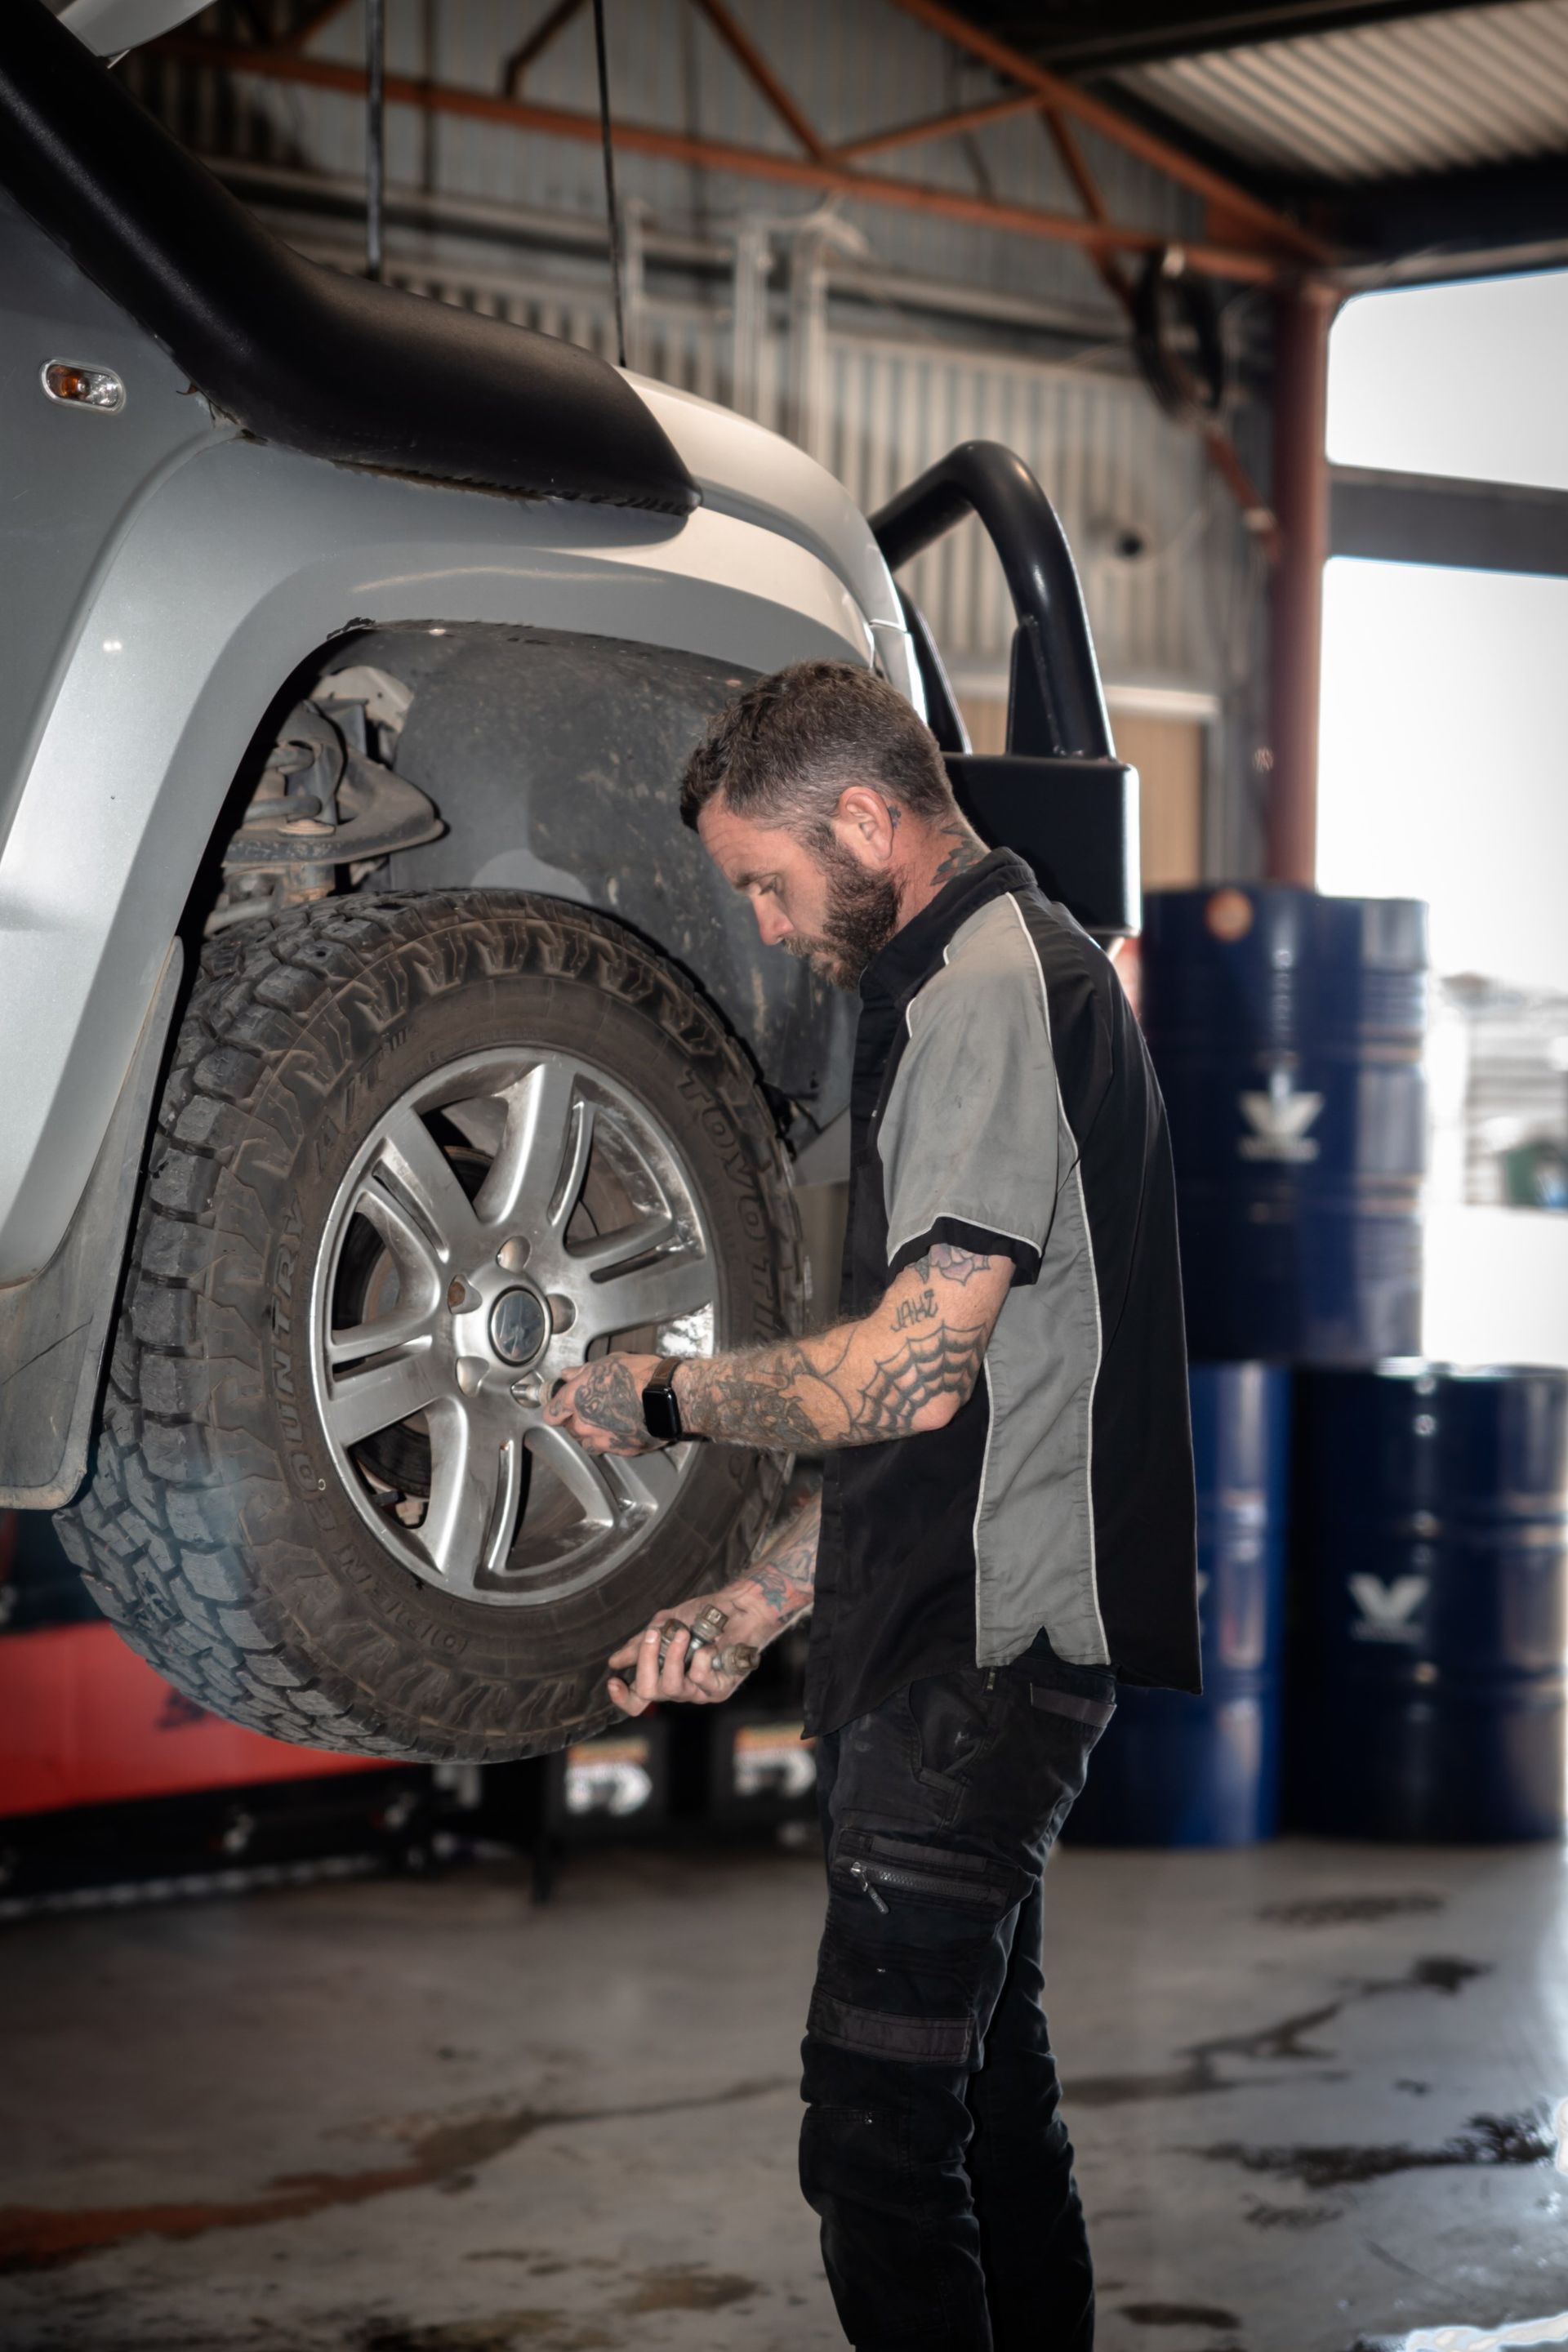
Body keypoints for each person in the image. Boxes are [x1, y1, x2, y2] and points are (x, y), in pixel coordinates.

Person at [546, 659, 1200, 2352]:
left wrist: (662, 1392)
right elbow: (938, 1441)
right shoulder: (955, 988)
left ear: (862, 816)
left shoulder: (991, 983)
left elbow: (910, 1375)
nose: (765, 927)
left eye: (766, 881)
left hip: (984, 1668)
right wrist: (744, 1610)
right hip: (942, 1638)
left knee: (879, 2136)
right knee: (979, 2102)